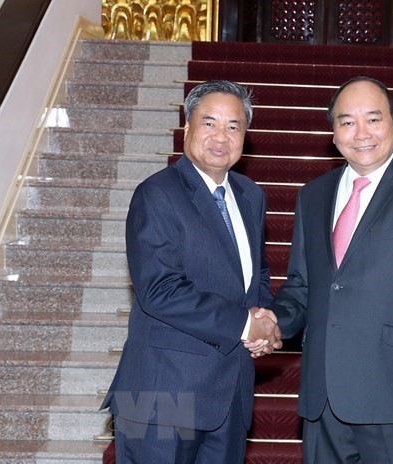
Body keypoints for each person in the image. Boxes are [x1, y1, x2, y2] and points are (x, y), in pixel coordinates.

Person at [268, 76, 393, 463]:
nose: (361, 133)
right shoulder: (312, 196)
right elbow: (301, 287)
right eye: (347, 122)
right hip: (323, 400)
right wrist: (274, 323)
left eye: (373, 119)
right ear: (333, 132)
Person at [100, 80, 282, 463]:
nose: (221, 136)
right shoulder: (157, 193)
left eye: (234, 126)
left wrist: (262, 319)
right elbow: (161, 290)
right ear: (187, 127)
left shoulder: (251, 195)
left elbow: (256, 273)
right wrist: (245, 325)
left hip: (229, 393)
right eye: (209, 123)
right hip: (163, 394)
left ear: (245, 136)